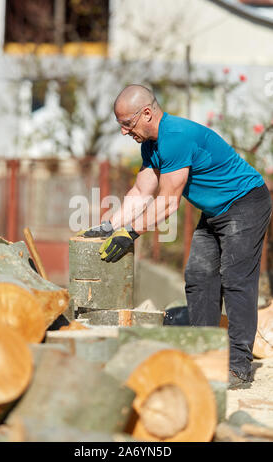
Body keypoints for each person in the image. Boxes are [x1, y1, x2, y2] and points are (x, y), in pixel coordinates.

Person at [79, 84, 272, 389]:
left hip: (246, 201)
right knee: (198, 275)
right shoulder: (151, 146)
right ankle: (204, 352)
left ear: (146, 113)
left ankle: (238, 366)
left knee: (235, 279)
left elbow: (168, 203)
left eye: (127, 124)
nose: (124, 132)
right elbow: (141, 192)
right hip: (215, 211)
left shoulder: (176, 137)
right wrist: (108, 226)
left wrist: (130, 233)